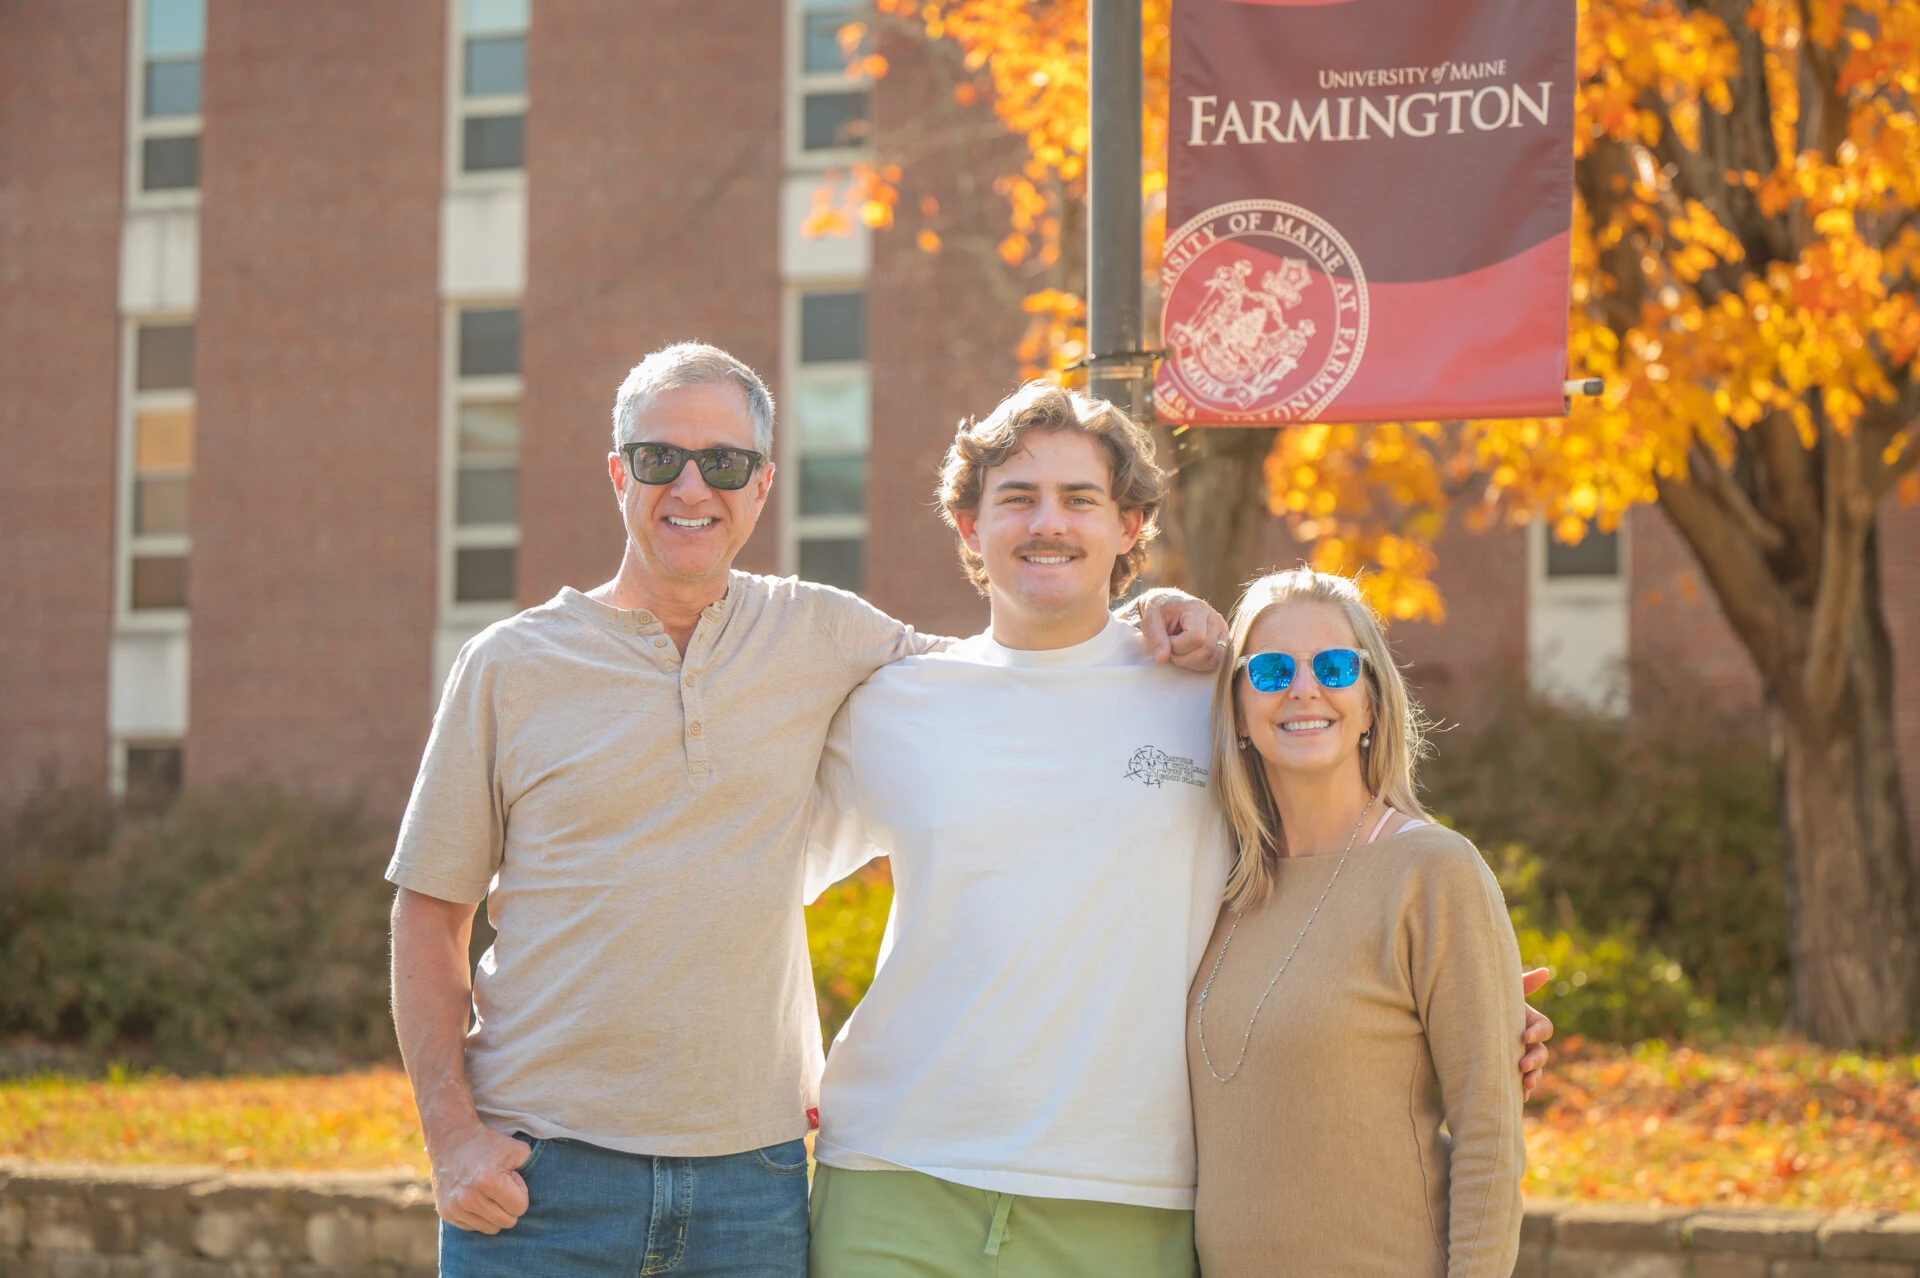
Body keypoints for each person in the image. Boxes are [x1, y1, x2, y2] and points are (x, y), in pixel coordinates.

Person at [384, 343, 1222, 1278]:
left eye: (725, 462)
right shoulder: (509, 665)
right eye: (660, 458)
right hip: (541, 1177)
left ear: (763, 483)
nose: (691, 485)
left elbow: (1024, 656)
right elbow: (429, 911)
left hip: (753, 1184)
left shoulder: (826, 634)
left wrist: (1161, 610)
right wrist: (451, 1135)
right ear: (619, 471)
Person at [804, 384, 1553, 1278]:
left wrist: (1454, 1018)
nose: (1050, 523)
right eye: (1017, 498)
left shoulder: (1212, 691)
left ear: (1131, 526)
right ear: (969, 527)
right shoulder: (896, 703)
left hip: (1127, 1200)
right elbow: (751, 888)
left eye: (1080, 499)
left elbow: (1339, 860)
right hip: (894, 1174)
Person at [1189, 568, 1527, 1276]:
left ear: (1370, 703)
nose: (1305, 688)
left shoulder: (1434, 872)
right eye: (1274, 668)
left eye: (1336, 666)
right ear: (1239, 708)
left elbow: (1489, 1136)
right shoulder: (1217, 884)